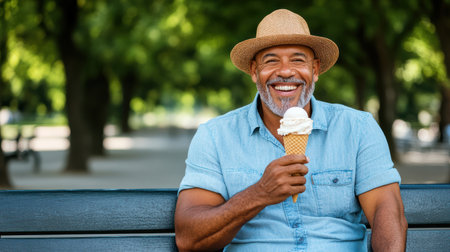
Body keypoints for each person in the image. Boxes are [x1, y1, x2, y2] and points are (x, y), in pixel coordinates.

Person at [175, 9, 407, 251]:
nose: (285, 71)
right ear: (254, 71)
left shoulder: (358, 128)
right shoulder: (214, 136)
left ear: (315, 70)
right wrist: (259, 194)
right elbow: (189, 239)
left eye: (297, 60)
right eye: (271, 60)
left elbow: (387, 211)